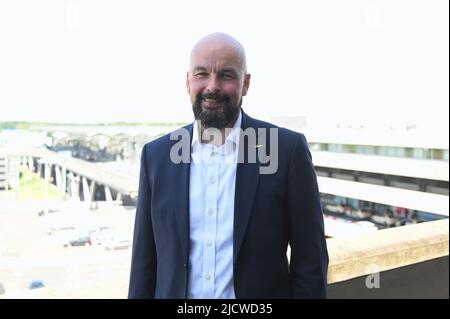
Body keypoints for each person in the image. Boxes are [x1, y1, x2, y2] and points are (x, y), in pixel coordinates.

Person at [128, 33, 328, 299]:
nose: (213, 86)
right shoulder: (156, 156)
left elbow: (310, 260)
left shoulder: (285, 151)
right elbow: (144, 264)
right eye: (201, 74)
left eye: (226, 75)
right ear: (188, 82)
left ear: (245, 84)